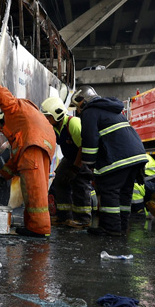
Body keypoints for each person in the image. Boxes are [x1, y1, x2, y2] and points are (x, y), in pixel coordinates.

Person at [73, 85, 147, 236]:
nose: (78, 110)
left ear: (83, 101)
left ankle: (111, 228)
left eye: (78, 105)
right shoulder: (112, 109)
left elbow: (90, 140)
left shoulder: (90, 112)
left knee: (110, 191)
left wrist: (88, 165)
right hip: (136, 156)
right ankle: (121, 227)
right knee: (125, 194)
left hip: (118, 157)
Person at [0, 84, 56, 238]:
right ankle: (33, 226)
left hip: (34, 149)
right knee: (33, 190)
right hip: (41, 147)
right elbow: (15, 158)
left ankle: (39, 229)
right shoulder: (25, 124)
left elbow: (1, 94)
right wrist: (2, 176)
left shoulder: (14, 109)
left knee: (34, 191)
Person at [40, 96, 93, 228]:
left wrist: (75, 168)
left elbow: (83, 146)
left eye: (48, 116)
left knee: (80, 184)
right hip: (70, 158)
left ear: (57, 115)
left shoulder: (73, 123)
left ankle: (83, 219)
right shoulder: (56, 127)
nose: (46, 119)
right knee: (60, 181)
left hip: (82, 158)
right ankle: (64, 217)